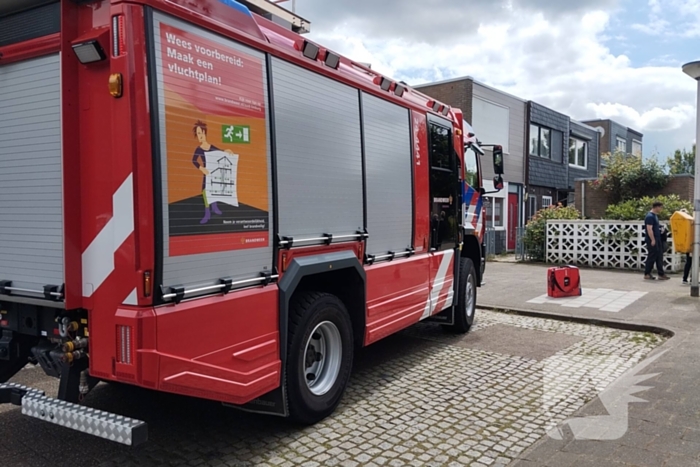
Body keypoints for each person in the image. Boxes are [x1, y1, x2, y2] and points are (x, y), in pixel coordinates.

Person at [644, 201, 670, 280]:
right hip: (653, 239)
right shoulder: (650, 216)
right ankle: (647, 273)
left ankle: (661, 274)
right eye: (660, 207)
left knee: (659, 257)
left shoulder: (655, 216)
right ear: (656, 207)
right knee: (652, 256)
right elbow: (649, 229)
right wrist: (652, 239)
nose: (661, 209)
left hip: (658, 239)